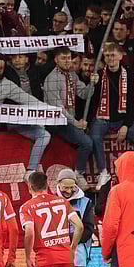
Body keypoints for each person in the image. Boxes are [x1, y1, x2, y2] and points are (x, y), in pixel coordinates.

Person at [89, 43, 134, 187]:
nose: (110, 58)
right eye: (107, 56)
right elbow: (92, 100)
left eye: (113, 55)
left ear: (120, 56)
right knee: (95, 136)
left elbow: (131, 104)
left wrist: (126, 126)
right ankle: (103, 171)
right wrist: (92, 84)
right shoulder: (98, 76)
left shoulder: (129, 76)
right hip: (103, 118)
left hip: (122, 119)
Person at [43, 47, 96, 175]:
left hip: (70, 119)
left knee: (90, 136)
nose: (67, 61)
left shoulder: (72, 75)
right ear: (56, 60)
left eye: (68, 58)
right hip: (56, 121)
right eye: (63, 58)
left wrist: (92, 83)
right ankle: (79, 173)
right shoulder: (51, 79)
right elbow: (58, 109)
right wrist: (76, 123)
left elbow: (84, 94)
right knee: (87, 143)